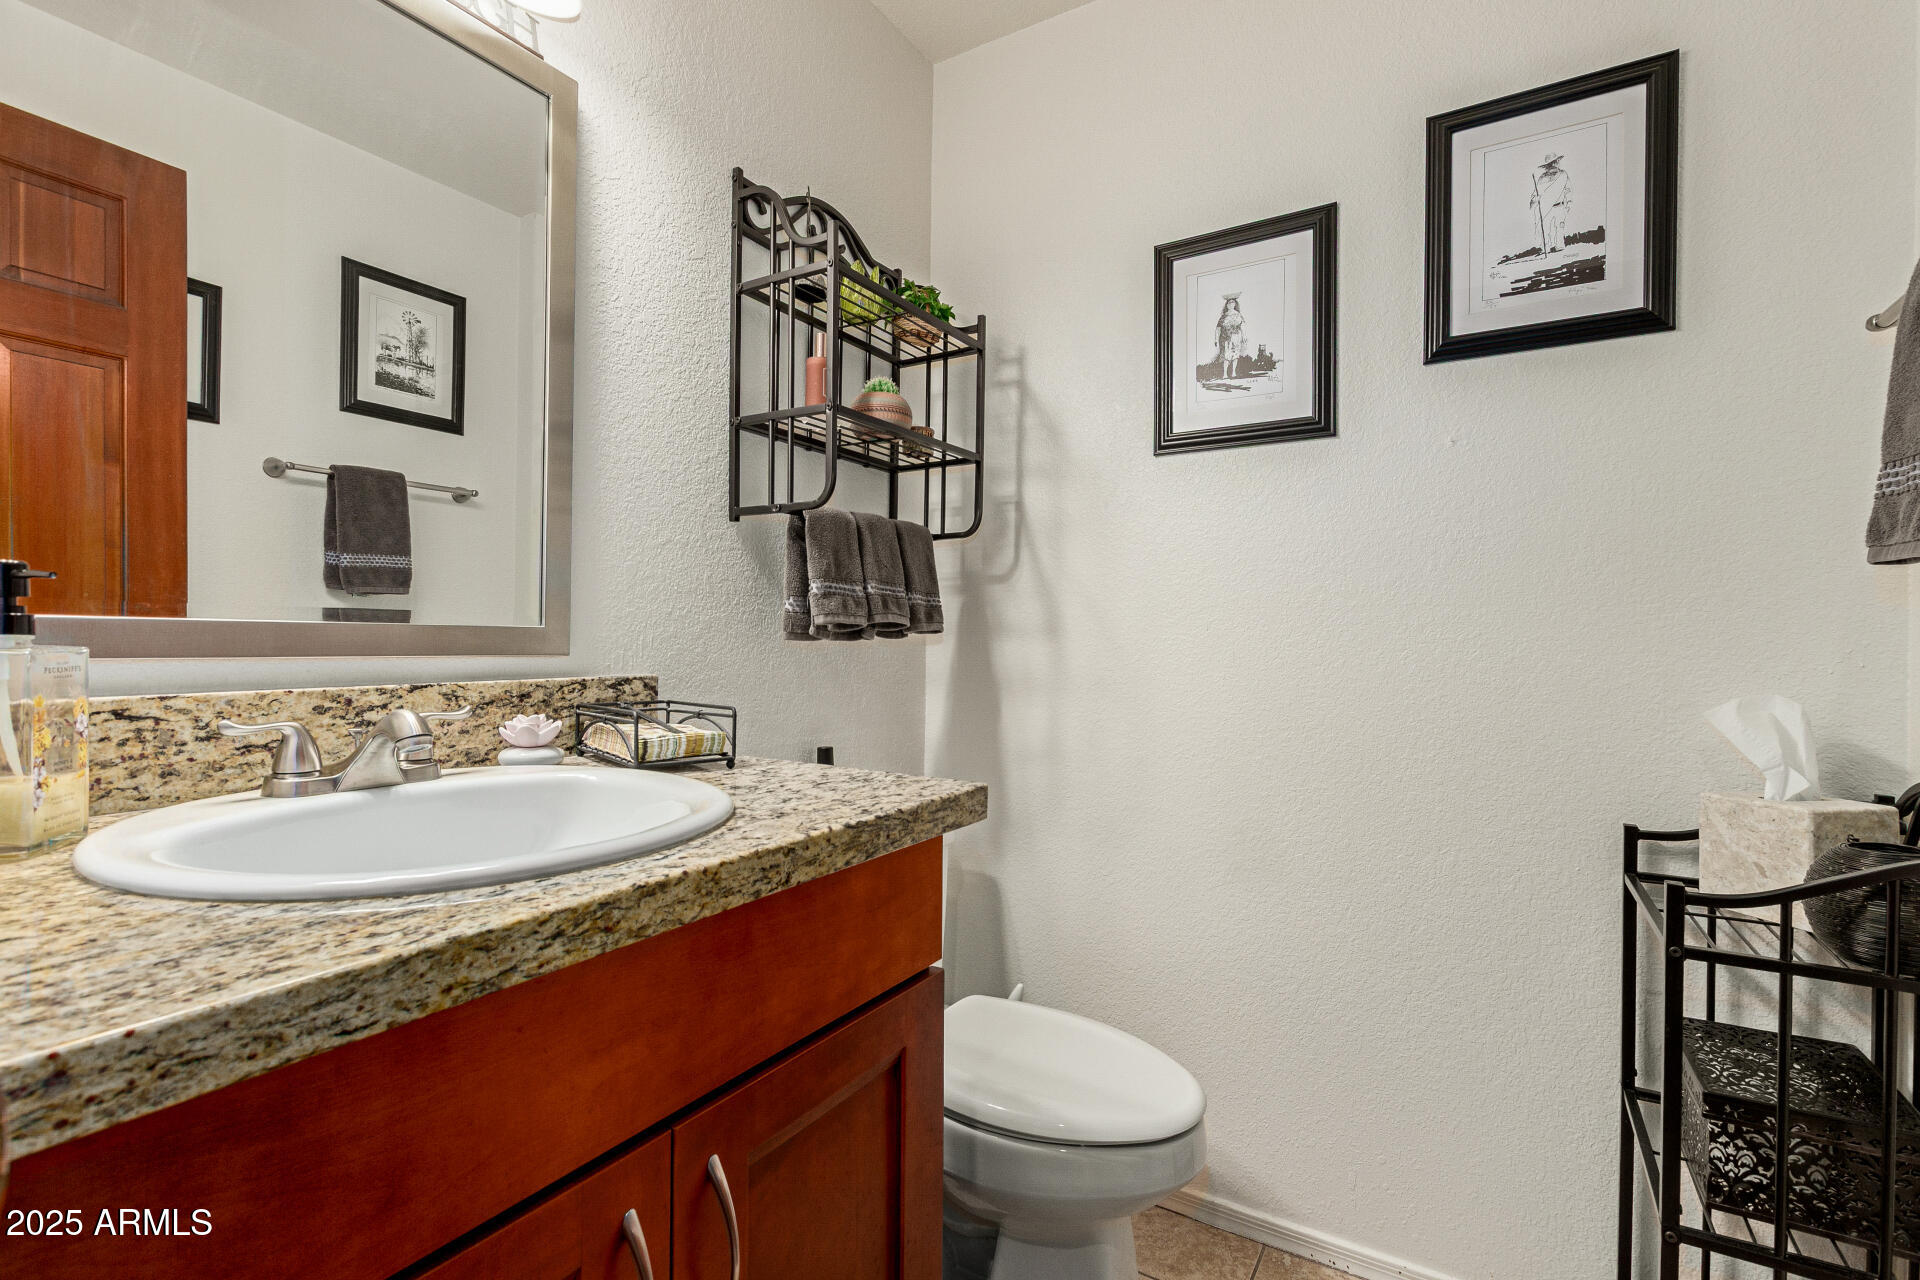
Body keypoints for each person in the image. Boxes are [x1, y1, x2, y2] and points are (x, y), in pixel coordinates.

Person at [1529, 153, 1572, 255]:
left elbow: (1568, 190)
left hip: (1560, 206)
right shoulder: (1542, 178)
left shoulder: (1563, 174)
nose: (1555, 164)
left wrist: (1569, 202)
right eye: (1551, 164)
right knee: (1544, 227)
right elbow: (1536, 193)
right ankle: (1546, 247)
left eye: (1556, 162)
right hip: (1546, 207)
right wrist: (1534, 200)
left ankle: (1559, 246)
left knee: (1560, 226)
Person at [1213, 293, 1248, 378]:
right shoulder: (1224, 316)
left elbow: (1243, 326)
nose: (1231, 304)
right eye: (1229, 303)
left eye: (1232, 302)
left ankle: (1233, 373)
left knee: (1235, 355)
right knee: (1226, 356)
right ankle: (1225, 374)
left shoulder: (1238, 315)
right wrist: (1216, 339)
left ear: (1235, 304)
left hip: (1236, 338)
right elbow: (1218, 328)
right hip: (1225, 338)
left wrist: (1244, 336)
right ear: (1226, 305)